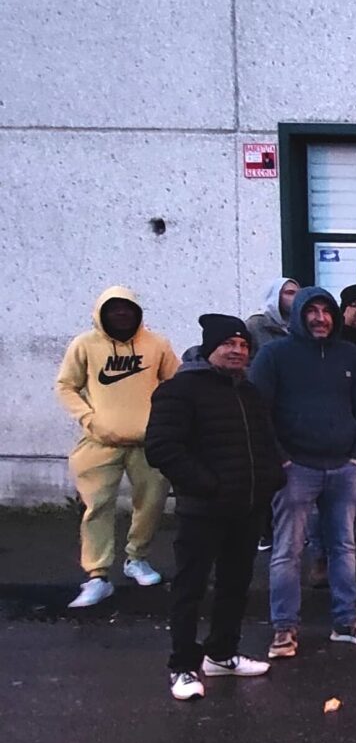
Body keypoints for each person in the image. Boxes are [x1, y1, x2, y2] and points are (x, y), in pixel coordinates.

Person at [145, 315, 286, 701]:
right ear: (210, 348)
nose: (237, 351)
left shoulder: (249, 391)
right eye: (229, 344)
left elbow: (265, 441)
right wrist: (207, 485)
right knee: (190, 587)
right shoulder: (180, 390)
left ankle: (221, 654)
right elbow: (162, 447)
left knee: (235, 584)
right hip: (202, 510)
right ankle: (183, 666)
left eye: (243, 345)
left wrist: (272, 478)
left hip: (247, 506)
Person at [249, 287, 356, 657]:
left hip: (343, 467)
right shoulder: (274, 355)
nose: (320, 318)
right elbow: (259, 412)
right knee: (287, 551)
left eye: (326, 311)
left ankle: (345, 621)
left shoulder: (349, 354)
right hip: (296, 469)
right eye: (312, 311)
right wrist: (281, 459)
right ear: (298, 315)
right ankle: (284, 628)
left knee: (344, 547)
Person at [54, 285, 180, 608]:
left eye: (127, 308)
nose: (121, 314)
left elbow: (176, 384)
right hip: (99, 442)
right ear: (101, 313)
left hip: (148, 443)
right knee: (96, 507)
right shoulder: (85, 345)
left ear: (137, 312)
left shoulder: (157, 344)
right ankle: (97, 576)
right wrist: (88, 419)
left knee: (151, 503)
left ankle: (137, 558)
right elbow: (66, 386)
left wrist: (165, 421)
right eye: (113, 309)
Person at [246, 277, 300, 349]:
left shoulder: (300, 326)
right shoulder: (255, 324)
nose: (296, 297)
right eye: (290, 293)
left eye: (298, 294)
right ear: (276, 296)